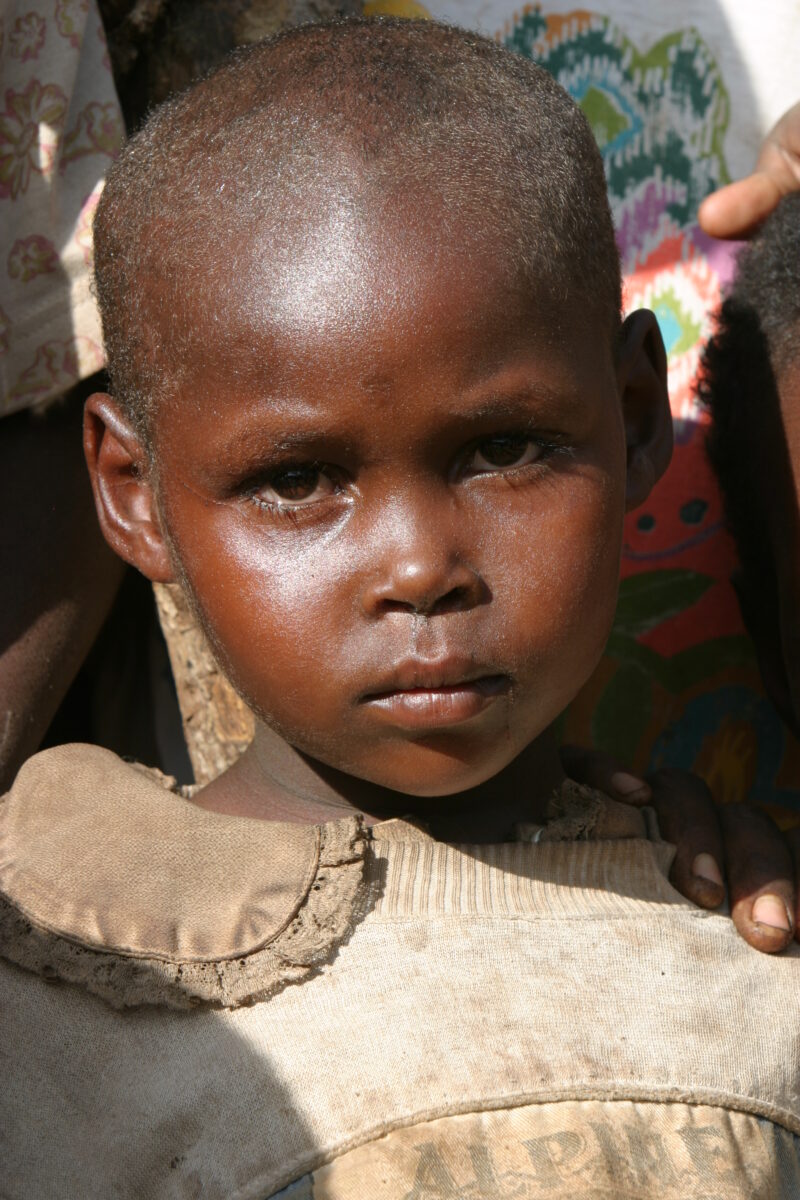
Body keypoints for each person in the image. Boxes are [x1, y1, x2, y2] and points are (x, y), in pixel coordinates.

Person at [2, 21, 800, 1196]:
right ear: (137, 497)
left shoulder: (743, 936)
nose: (421, 567)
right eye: (294, 481)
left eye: (504, 447)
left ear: (633, 418)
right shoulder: (59, 962)